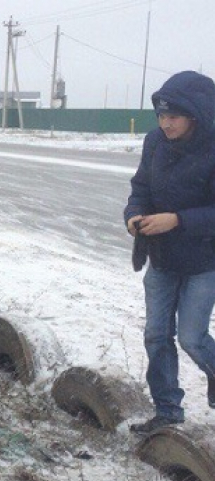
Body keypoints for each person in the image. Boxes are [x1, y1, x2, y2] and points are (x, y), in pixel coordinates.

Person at [124, 70, 215, 434]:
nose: (165, 123)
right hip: (161, 258)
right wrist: (133, 215)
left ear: (196, 114)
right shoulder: (155, 142)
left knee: (192, 338)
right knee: (156, 336)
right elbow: (141, 187)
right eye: (161, 115)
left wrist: (176, 220)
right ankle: (167, 412)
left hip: (203, 262)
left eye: (173, 116)